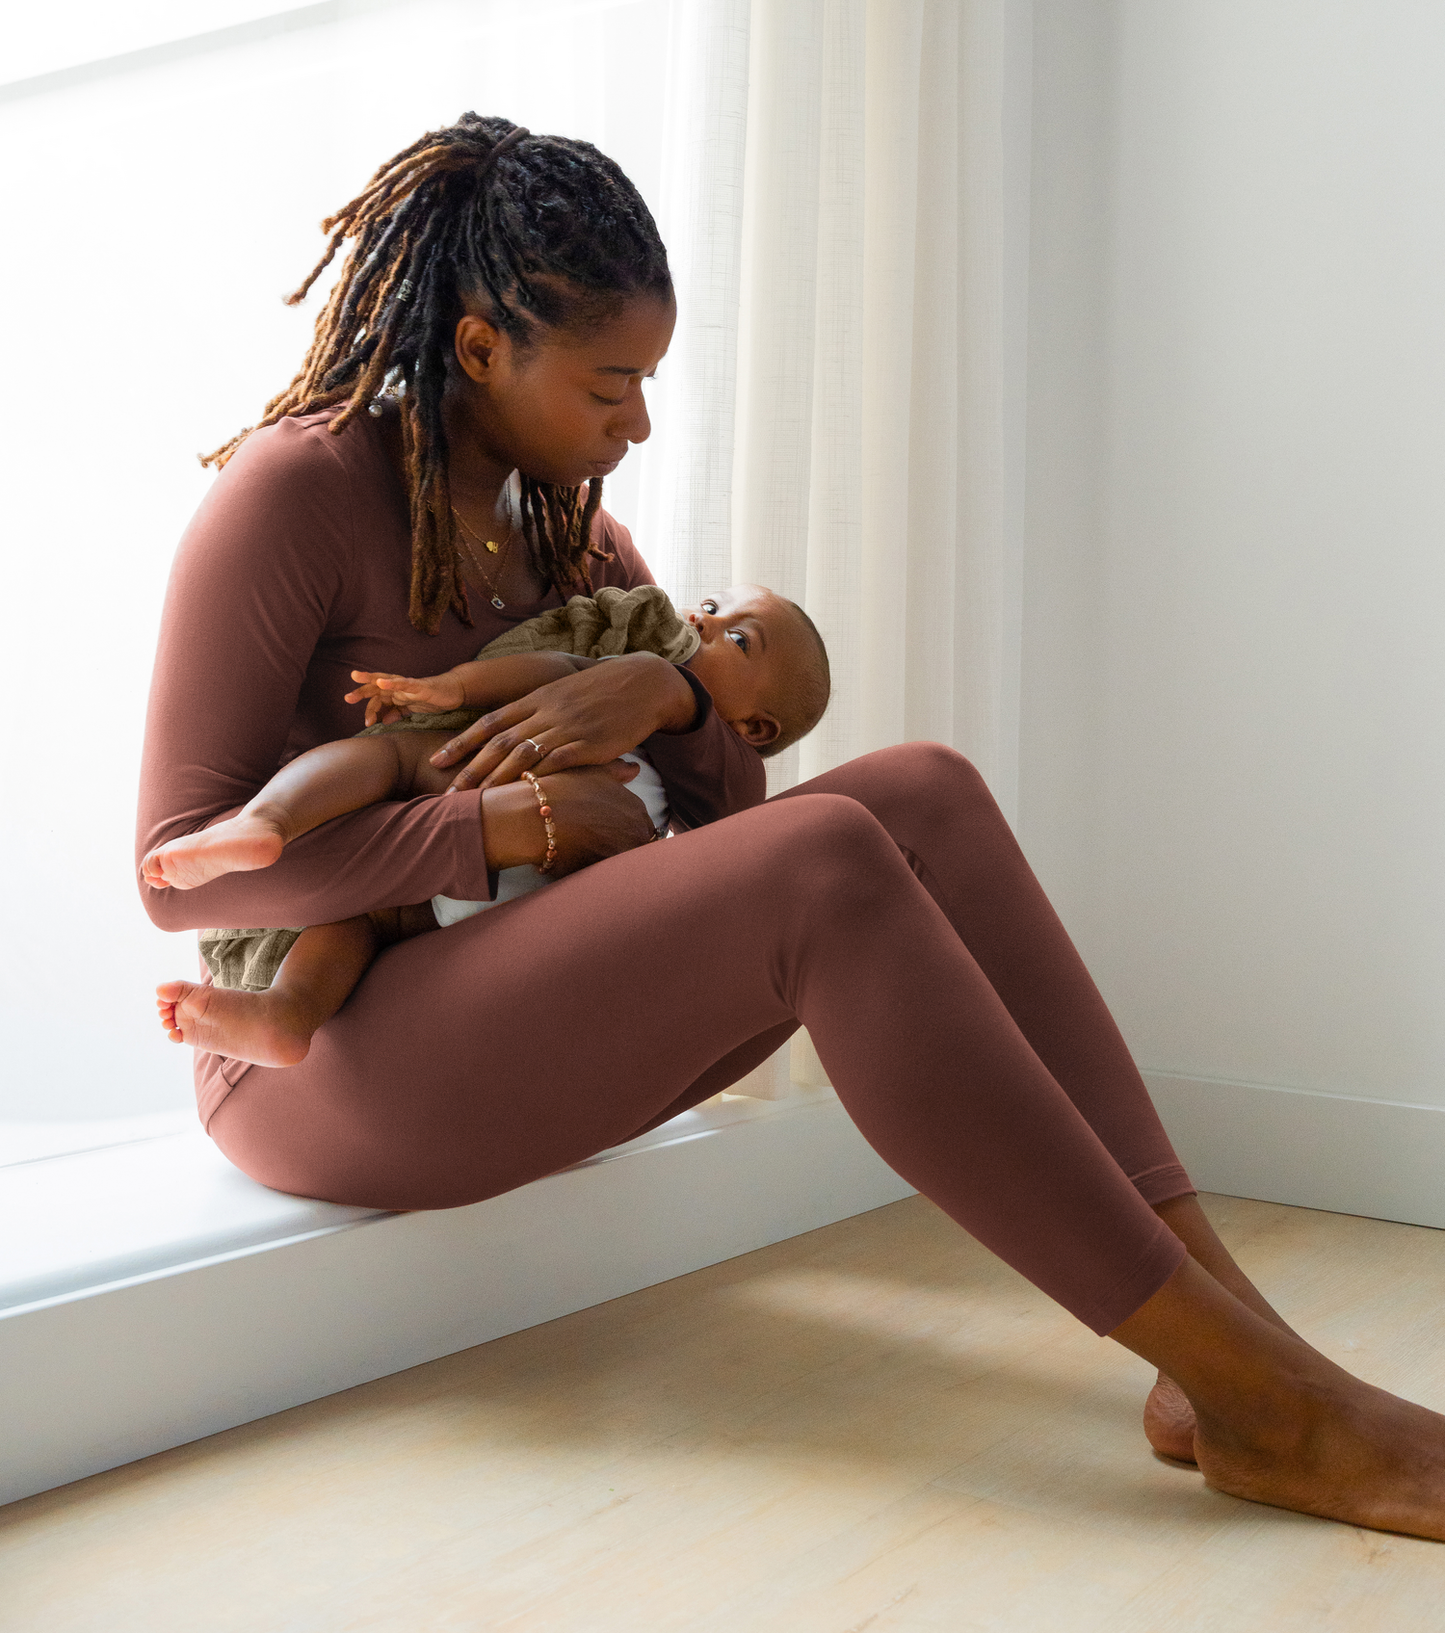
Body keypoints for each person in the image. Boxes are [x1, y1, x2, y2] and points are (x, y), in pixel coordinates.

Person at [135, 112, 1445, 1541]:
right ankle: (1272, 1405)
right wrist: (503, 821)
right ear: (478, 351)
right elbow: (176, 879)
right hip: (321, 1046)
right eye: (611, 383)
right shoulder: (298, 493)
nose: (636, 424)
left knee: (922, 790)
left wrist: (671, 684)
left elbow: (720, 825)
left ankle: (1235, 1359)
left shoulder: (573, 526)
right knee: (824, 865)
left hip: (505, 1004)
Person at [143, 582, 829, 1068]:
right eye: (710, 605)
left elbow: (734, 832)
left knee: (387, 758)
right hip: (475, 886)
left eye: (737, 636)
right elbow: (549, 669)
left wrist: (670, 696)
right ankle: (286, 1004)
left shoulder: (705, 769)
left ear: (753, 727)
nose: (701, 620)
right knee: (366, 918)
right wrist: (455, 688)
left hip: (541, 919)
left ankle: (272, 819)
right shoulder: (624, 682)